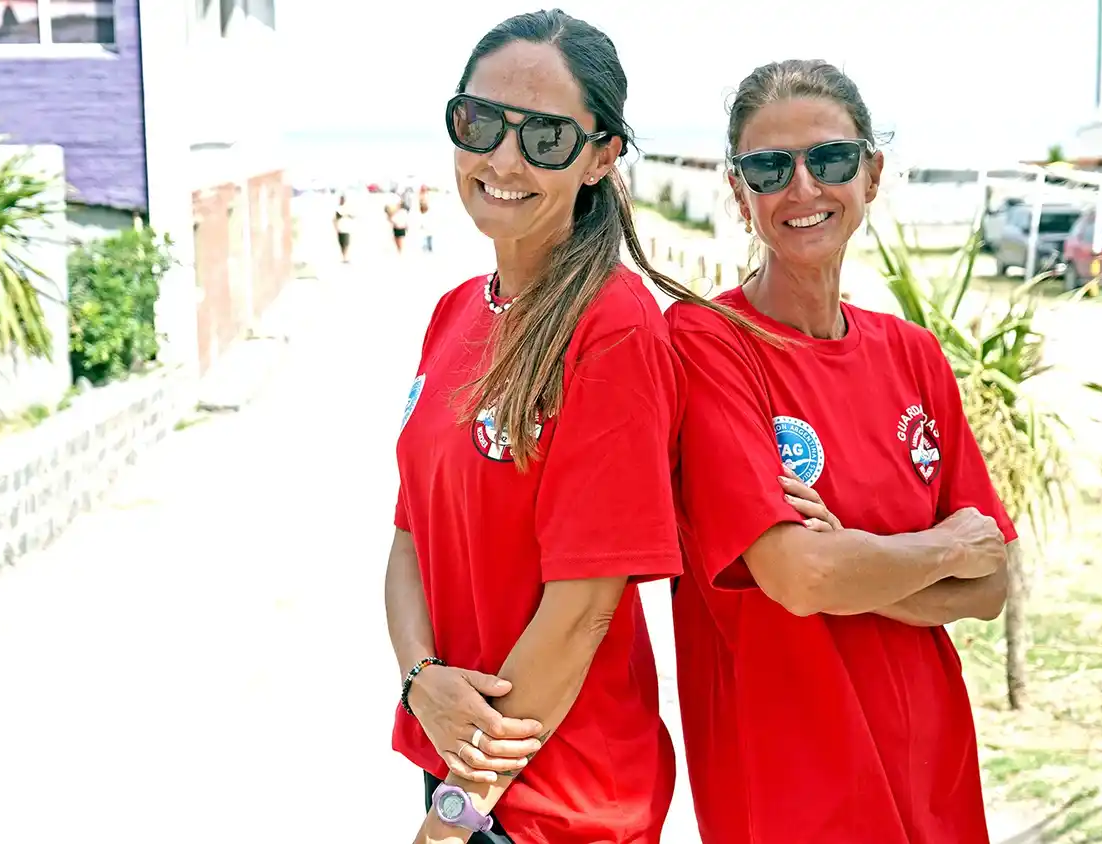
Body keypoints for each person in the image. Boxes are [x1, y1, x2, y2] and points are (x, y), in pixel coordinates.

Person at [387, 11, 759, 844]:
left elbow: (584, 608)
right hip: (458, 762)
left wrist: (452, 818)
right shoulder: (455, 312)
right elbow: (408, 537)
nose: (503, 160)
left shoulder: (612, 327)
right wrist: (419, 677)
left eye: (546, 137)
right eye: (480, 122)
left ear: (600, 157)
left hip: (561, 800)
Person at [664, 59, 1020, 843]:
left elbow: (990, 585)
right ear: (739, 192)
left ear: (872, 173)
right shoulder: (706, 343)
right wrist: (940, 549)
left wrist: (855, 560)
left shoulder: (913, 354)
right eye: (769, 168)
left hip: (932, 775)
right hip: (791, 789)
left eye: (829, 159)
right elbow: (800, 576)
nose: (802, 188)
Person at [333, 192, 354, 263]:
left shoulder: (347, 208)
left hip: (346, 228)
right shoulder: (338, 209)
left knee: (346, 243)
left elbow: (352, 216)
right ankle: (344, 257)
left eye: (343, 199)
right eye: (341, 199)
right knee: (342, 244)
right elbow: (335, 219)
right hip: (341, 228)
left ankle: (345, 257)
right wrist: (336, 228)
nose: (342, 200)